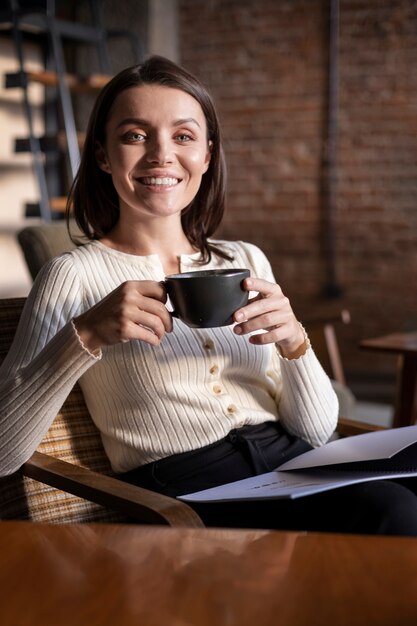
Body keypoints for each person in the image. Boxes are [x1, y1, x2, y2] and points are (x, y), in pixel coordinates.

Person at [1, 55, 417, 535]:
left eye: (183, 136)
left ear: (207, 154)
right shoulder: (71, 275)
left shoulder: (246, 259)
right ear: (102, 155)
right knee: (393, 514)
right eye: (135, 135)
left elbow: (315, 431)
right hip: (189, 488)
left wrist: (295, 343)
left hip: (293, 463)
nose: (161, 155)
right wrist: (87, 335)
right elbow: (4, 454)